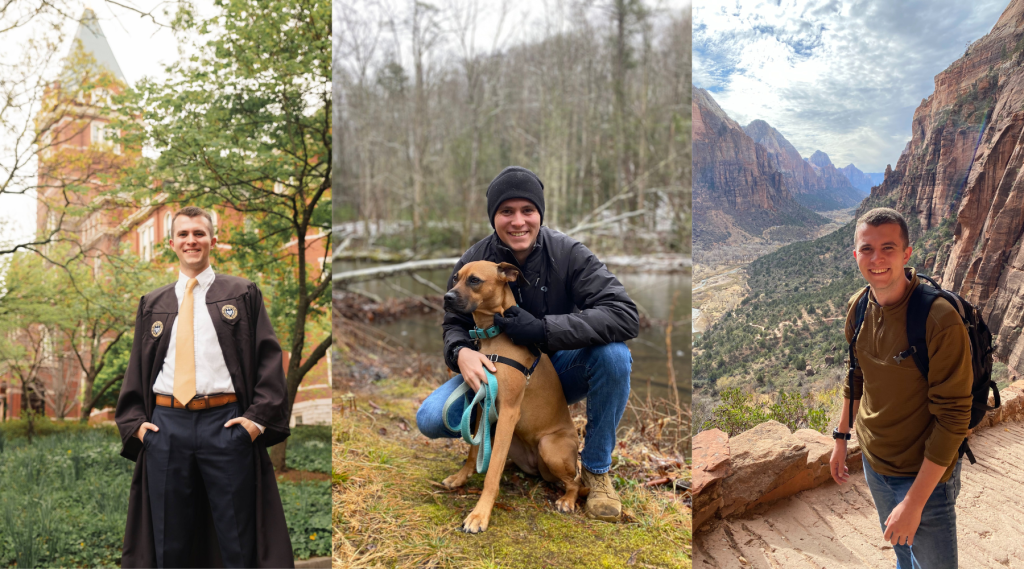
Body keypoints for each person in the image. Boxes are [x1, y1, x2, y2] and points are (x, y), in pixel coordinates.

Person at [416, 166, 639, 521]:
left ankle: (596, 471)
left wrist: (544, 330)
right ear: (494, 218)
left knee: (614, 356)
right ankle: (492, 455)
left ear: (539, 214)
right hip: (493, 366)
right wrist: (460, 353)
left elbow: (625, 315)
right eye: (506, 211)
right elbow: (453, 324)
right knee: (429, 417)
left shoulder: (568, 253)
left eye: (527, 211)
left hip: (558, 371)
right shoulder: (473, 263)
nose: (518, 221)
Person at [115, 206, 294, 568]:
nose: (191, 240)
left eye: (199, 233)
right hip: (166, 427)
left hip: (226, 425)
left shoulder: (242, 294)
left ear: (214, 239)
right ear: (171, 243)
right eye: (183, 234)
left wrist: (254, 421)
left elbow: (268, 360)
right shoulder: (154, 304)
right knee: (169, 543)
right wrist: (138, 426)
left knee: (238, 540)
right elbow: (137, 368)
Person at [829, 207, 972, 569]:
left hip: (925, 474)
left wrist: (913, 503)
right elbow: (855, 374)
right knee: (903, 555)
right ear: (855, 255)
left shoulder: (939, 319)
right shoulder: (858, 306)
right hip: (875, 463)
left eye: (888, 248)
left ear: (907, 254)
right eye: (867, 249)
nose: (876, 259)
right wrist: (840, 438)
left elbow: (954, 417)